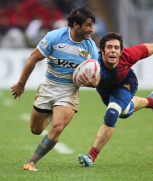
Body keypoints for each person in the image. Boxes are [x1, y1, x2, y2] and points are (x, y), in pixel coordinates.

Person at [76, 32, 153, 167]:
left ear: (121, 51)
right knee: (124, 112)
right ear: (101, 50)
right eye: (109, 47)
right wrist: (90, 82)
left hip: (126, 83)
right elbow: (92, 79)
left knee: (112, 113)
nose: (113, 50)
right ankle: (152, 101)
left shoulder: (129, 55)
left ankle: (90, 156)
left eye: (116, 48)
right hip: (106, 91)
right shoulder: (94, 63)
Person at [11, 6, 98, 171]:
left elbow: (97, 74)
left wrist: (94, 83)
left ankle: (31, 162)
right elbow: (33, 59)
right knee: (36, 130)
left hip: (70, 91)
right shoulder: (55, 37)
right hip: (49, 86)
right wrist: (21, 84)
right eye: (87, 25)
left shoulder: (91, 47)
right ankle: (51, 113)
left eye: (91, 25)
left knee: (57, 127)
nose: (91, 29)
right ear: (75, 25)